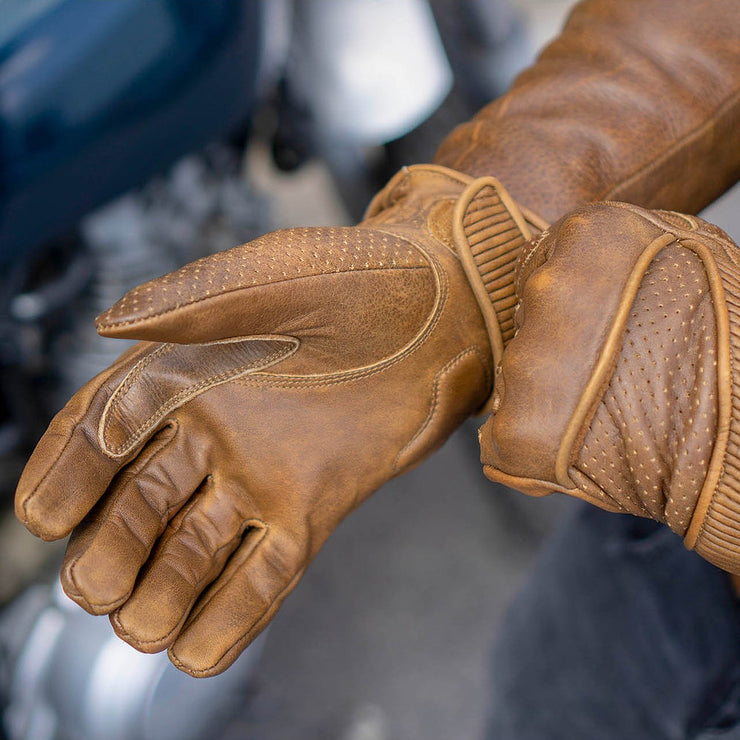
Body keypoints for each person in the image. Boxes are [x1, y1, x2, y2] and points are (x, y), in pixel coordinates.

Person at [11, 0, 740, 734]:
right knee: (547, 697)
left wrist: (719, 413)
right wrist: (466, 249)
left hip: (681, 463)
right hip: (667, 546)